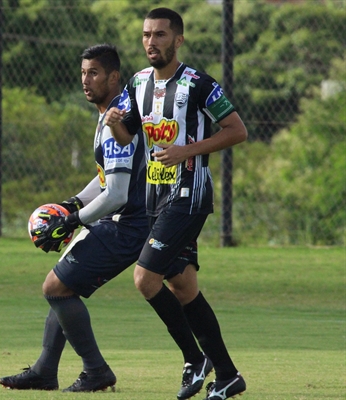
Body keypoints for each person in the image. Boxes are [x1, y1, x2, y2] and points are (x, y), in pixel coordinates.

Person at [104, 7, 247, 400]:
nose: (152, 42)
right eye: (147, 35)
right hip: (156, 196)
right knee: (182, 286)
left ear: (178, 40)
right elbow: (126, 138)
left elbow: (237, 130)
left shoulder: (200, 84)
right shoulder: (137, 83)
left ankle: (194, 358)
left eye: (160, 35)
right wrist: (115, 119)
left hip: (189, 196)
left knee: (144, 279)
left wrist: (188, 150)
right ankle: (229, 375)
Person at [0, 44, 149, 393]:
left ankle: (96, 370)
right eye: (83, 72)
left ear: (113, 77)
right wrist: (73, 203)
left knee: (55, 287)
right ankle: (45, 370)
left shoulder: (117, 116)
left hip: (129, 224)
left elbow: (117, 194)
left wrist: (74, 219)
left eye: (93, 73)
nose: (85, 79)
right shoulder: (111, 112)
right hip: (124, 219)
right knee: (63, 282)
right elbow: (105, 179)